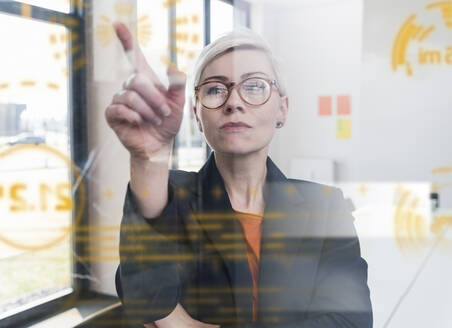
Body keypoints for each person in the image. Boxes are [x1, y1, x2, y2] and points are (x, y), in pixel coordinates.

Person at [106, 22, 373, 328]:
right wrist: (148, 159)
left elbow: (351, 321)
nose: (233, 102)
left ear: (282, 110)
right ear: (196, 113)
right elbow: (143, 290)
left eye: (255, 86)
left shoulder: (326, 207)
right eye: (215, 89)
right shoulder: (171, 196)